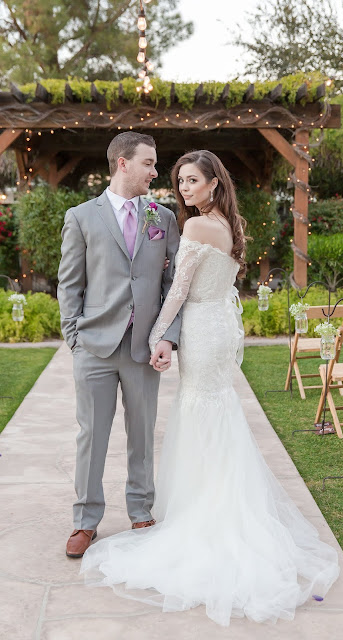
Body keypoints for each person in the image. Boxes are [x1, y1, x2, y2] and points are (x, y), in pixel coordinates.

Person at [80, 150, 339, 626]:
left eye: (192, 181)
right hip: (219, 323)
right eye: (180, 181)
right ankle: (221, 502)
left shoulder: (198, 228)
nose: (183, 188)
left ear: (215, 183)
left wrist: (157, 335)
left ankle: (205, 516)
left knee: (200, 412)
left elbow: (179, 291)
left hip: (201, 327)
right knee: (217, 411)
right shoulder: (230, 225)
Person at [57, 132, 181, 559]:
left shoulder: (163, 218)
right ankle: (85, 520)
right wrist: (74, 337)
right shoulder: (81, 216)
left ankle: (140, 509)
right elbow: (70, 283)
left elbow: (173, 285)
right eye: (148, 163)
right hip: (93, 345)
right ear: (122, 164)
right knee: (91, 435)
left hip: (144, 348)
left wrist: (168, 336)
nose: (154, 171)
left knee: (142, 433)